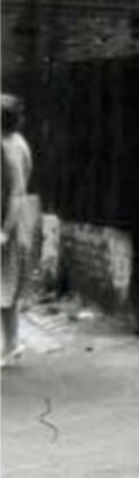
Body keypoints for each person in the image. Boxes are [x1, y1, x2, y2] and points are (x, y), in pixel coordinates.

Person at [2, 94, 35, 366]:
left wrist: (4, 230)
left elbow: (16, 192)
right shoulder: (19, 142)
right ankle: (12, 343)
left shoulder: (8, 148)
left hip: (7, 224)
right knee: (6, 287)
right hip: (15, 223)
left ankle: (12, 343)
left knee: (6, 285)